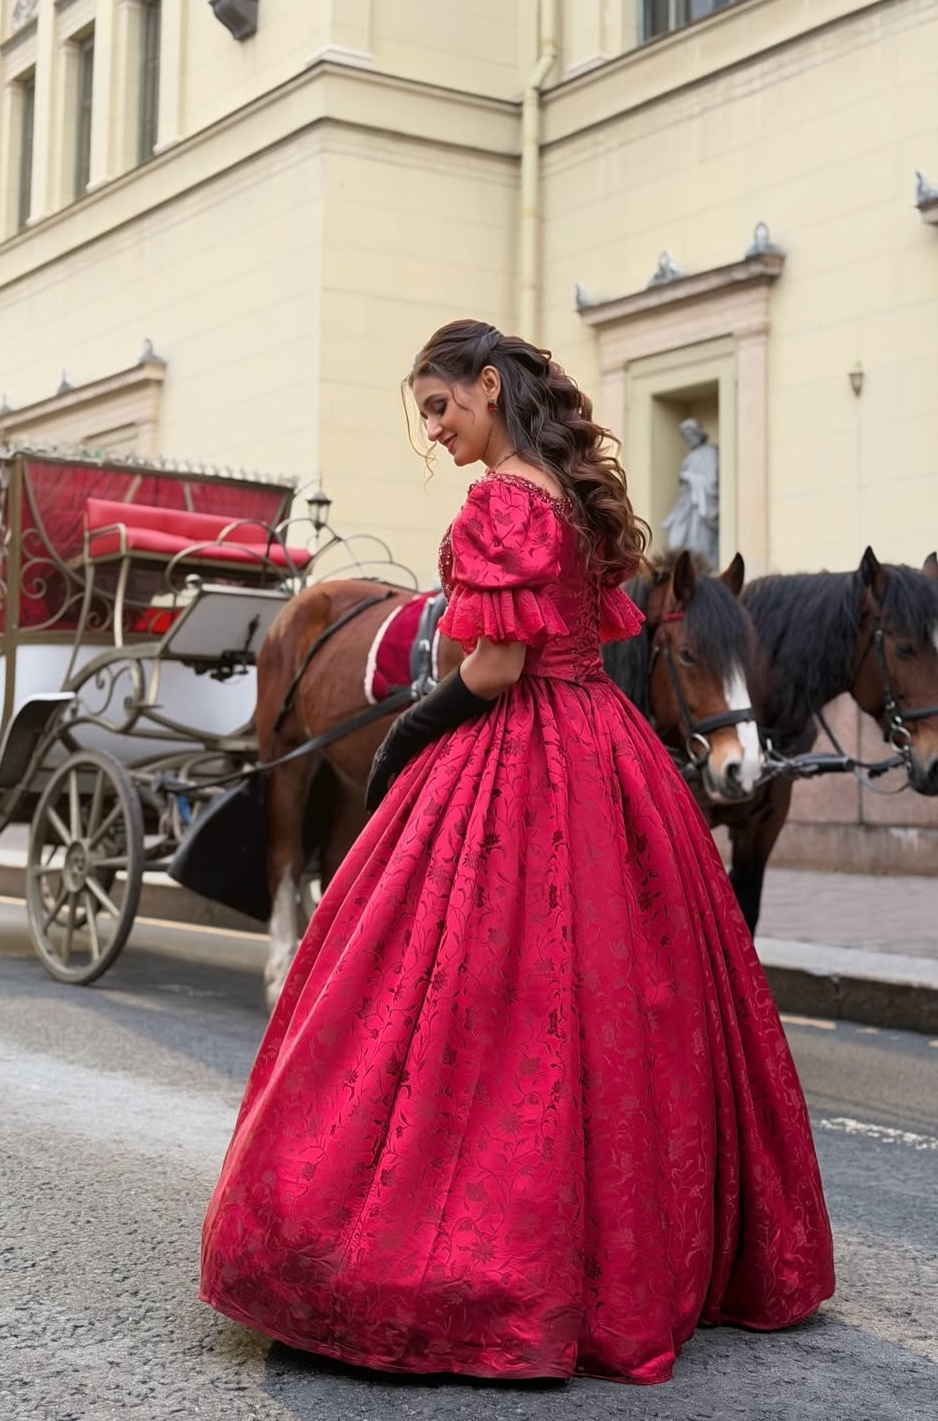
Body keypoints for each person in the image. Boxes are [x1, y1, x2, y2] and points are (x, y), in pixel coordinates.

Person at [199, 319, 834, 1384]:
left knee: (465, 1002)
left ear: (488, 388)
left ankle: (469, 1266)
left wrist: (412, 727)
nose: (436, 432)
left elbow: (497, 668)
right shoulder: (574, 497)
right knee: (611, 1007)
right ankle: (630, 1260)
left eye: (443, 407)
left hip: (519, 750)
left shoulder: (503, 501)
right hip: (605, 752)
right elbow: (587, 633)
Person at [662, 417, 720, 569]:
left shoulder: (710, 453)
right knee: (674, 544)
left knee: (698, 550)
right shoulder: (689, 458)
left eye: (691, 435)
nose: (688, 439)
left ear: (699, 433)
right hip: (685, 508)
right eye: (685, 436)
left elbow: (712, 481)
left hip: (701, 509)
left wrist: (689, 477)